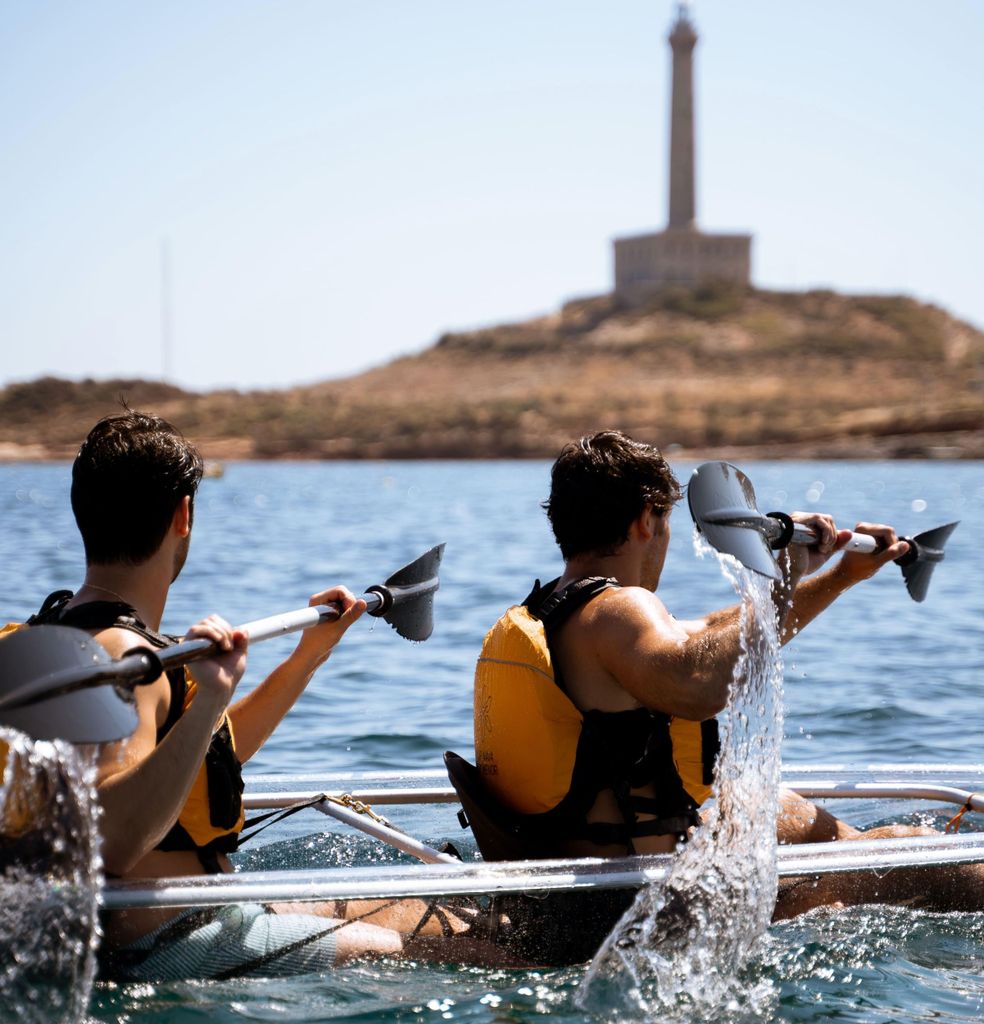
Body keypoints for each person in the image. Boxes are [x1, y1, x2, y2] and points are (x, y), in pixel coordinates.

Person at [459, 429, 984, 964]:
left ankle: (851, 846)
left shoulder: (556, 610)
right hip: (641, 912)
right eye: (665, 523)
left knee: (779, 809)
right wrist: (780, 580)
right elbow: (698, 683)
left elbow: (709, 631)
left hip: (571, 894)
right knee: (921, 855)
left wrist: (840, 576)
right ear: (646, 520)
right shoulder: (620, 611)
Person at [27, 409, 482, 982]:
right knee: (438, 946)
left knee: (422, 911)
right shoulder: (125, 656)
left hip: (181, 924)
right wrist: (213, 696)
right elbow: (113, 843)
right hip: (169, 946)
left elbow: (194, 765)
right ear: (183, 516)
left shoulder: (54, 635)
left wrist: (308, 654)